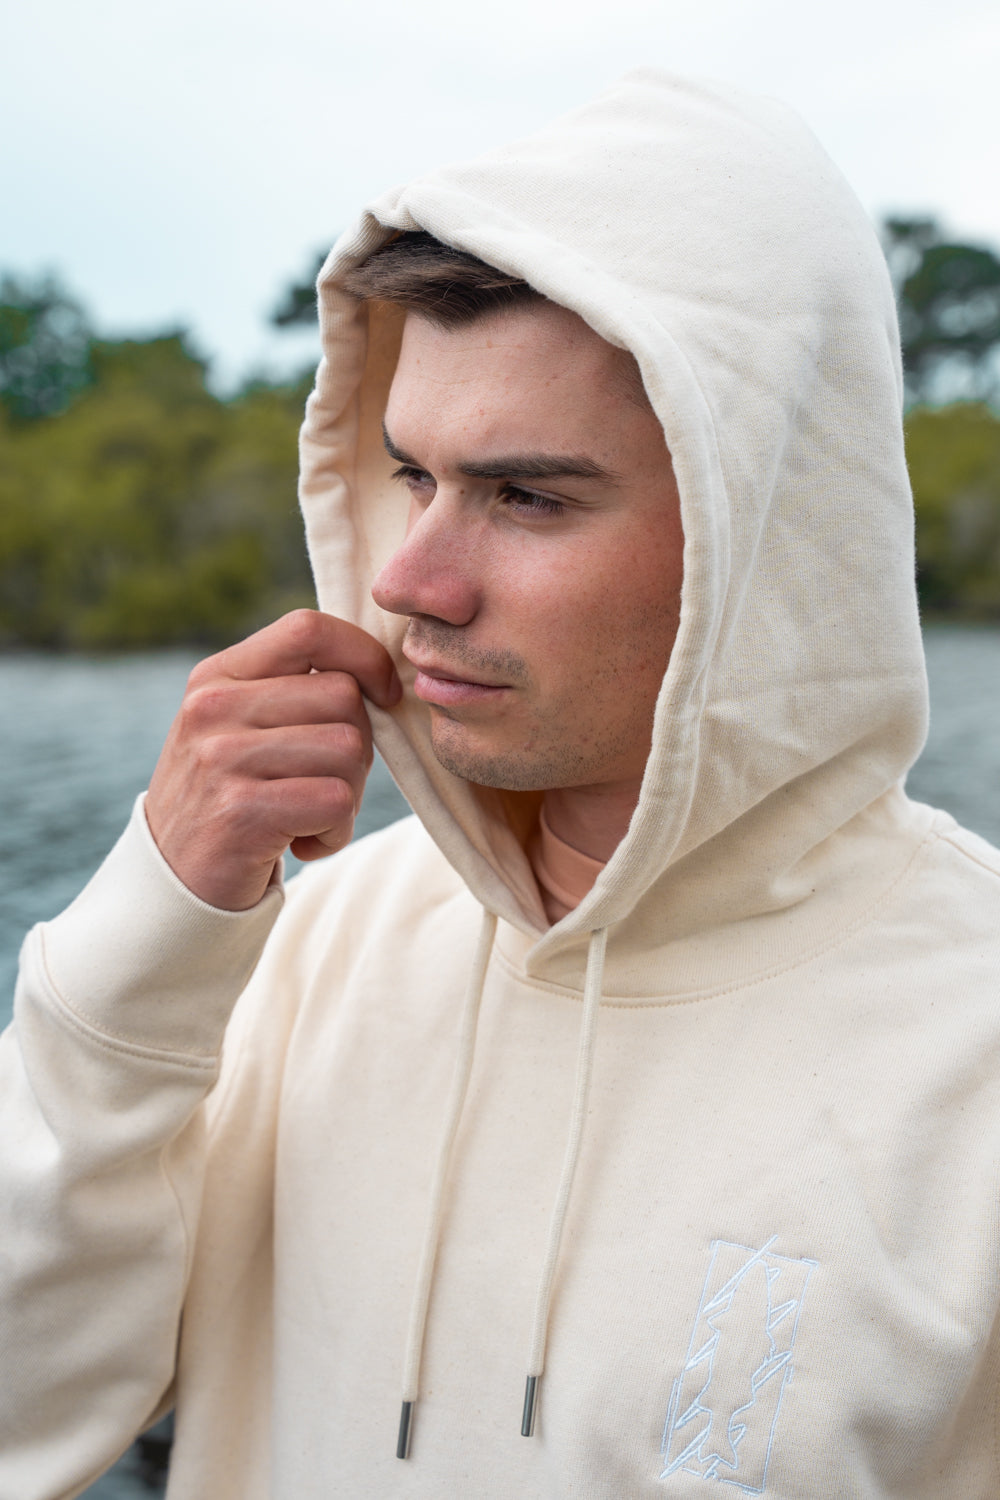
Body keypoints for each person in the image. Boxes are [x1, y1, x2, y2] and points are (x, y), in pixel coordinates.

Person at [3, 69, 1000, 1500]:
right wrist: (133, 945)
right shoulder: (296, 950)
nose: (411, 581)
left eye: (527, 496)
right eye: (411, 475)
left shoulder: (975, 1045)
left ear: (757, 528)